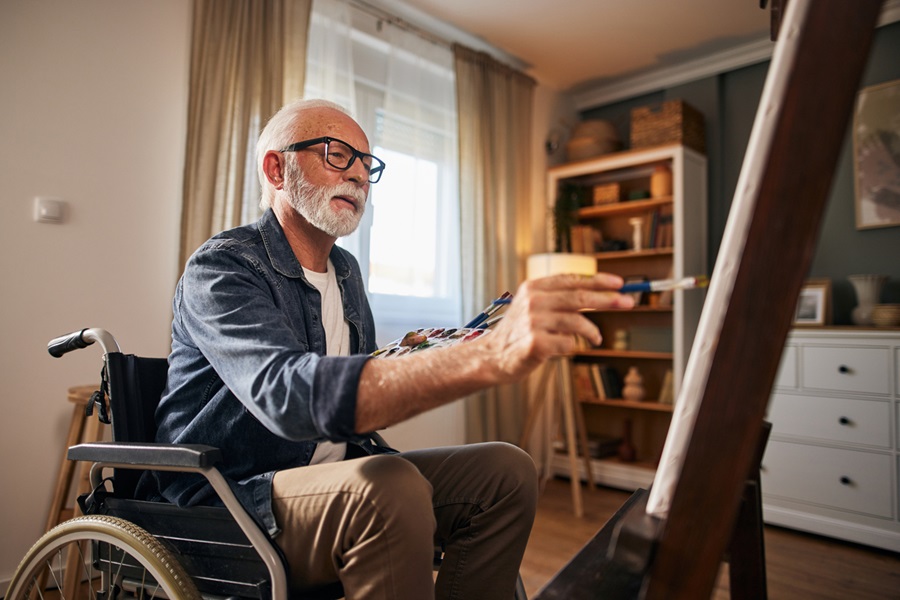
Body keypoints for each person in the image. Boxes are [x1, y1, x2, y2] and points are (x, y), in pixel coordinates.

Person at [140, 98, 634, 599]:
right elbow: (290, 398)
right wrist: (486, 357)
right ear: (276, 169)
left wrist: (433, 353)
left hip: (331, 479)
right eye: (337, 154)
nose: (358, 174)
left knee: (507, 471)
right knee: (389, 486)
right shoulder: (222, 268)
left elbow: (360, 400)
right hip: (229, 499)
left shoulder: (346, 272)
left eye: (366, 163)